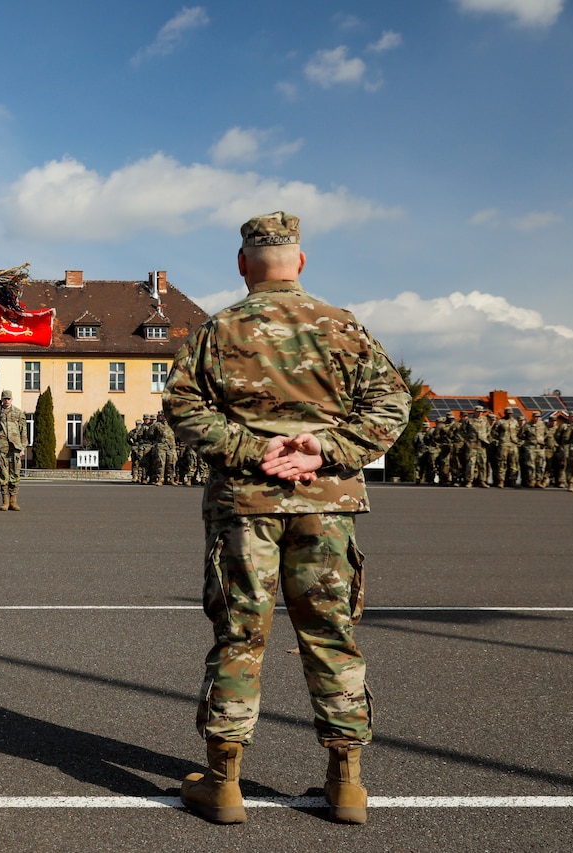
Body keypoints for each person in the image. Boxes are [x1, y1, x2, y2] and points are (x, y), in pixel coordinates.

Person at [164, 212, 410, 825]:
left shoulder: (218, 329)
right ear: (300, 263)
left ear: (243, 264)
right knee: (331, 636)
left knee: (241, 638)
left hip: (246, 506)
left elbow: (182, 406)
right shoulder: (344, 326)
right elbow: (392, 404)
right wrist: (323, 449)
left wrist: (252, 451)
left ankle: (223, 783)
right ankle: (346, 782)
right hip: (326, 506)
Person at [0, 389, 27, 510]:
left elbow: (23, 431)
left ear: (11, 399)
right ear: (2, 399)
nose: (7, 401)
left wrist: (23, 447)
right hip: (2, 446)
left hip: (15, 447)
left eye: (8, 399)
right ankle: (5, 500)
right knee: (4, 474)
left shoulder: (18, 413)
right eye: (5, 399)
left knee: (15, 474)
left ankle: (13, 500)